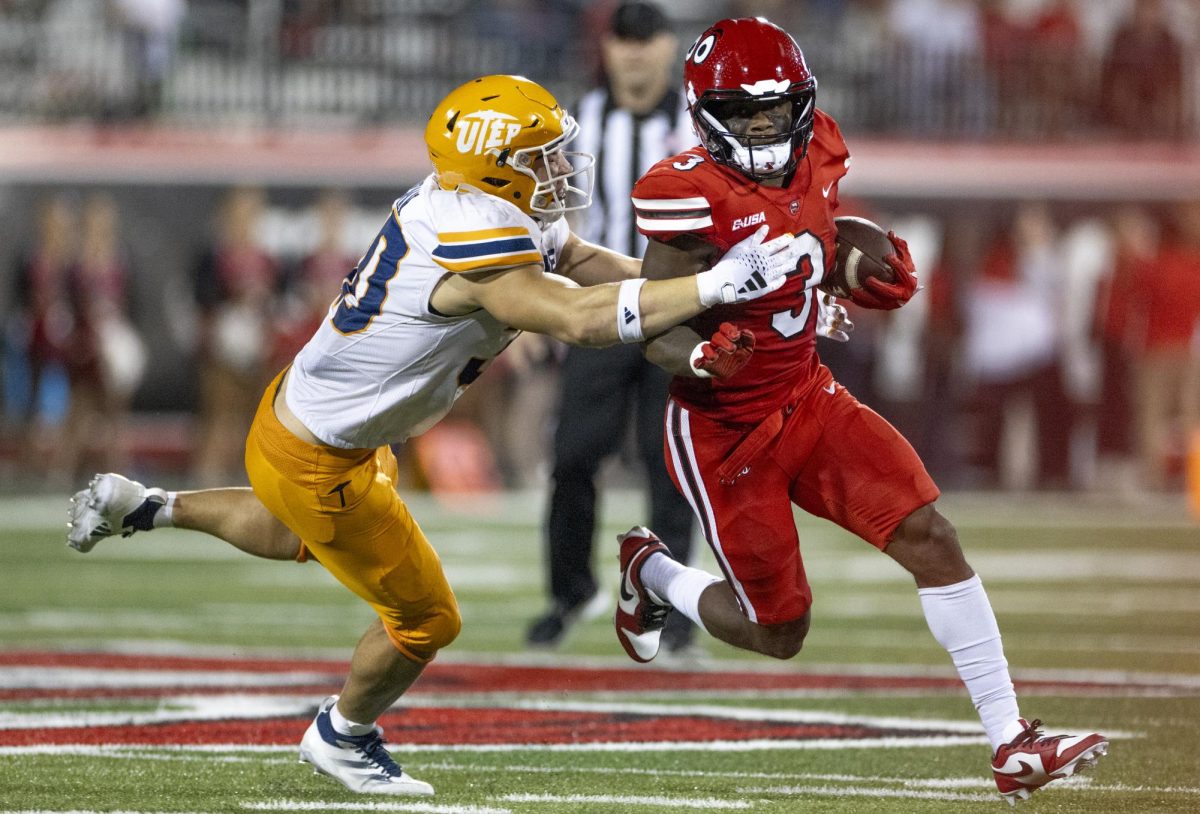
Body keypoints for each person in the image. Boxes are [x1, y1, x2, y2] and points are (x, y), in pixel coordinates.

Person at [66, 74, 803, 797]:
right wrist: (711, 288)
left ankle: (151, 508)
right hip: (320, 453)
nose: (557, 168)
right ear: (493, 163)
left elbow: (577, 260)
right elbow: (580, 319)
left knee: (294, 527)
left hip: (302, 419)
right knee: (426, 619)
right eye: (540, 155)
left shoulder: (481, 201)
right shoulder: (475, 232)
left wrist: (681, 287)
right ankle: (342, 735)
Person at [611, 18, 1107, 806]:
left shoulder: (821, 154)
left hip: (807, 395)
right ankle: (654, 571)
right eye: (745, 112)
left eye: (779, 111)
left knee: (929, 534)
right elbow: (654, 323)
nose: (767, 127)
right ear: (708, 113)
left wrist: (848, 266)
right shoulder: (682, 192)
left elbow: (815, 238)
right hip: (723, 429)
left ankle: (1012, 741)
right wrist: (700, 355)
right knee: (780, 631)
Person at [525, 0, 700, 653]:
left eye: (643, 42)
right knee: (572, 455)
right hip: (598, 308)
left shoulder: (699, 125)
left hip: (676, 311)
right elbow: (541, 219)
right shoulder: (577, 122)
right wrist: (534, 308)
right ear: (608, 51)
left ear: (666, 48)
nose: (632, 55)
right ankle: (569, 593)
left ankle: (676, 611)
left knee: (672, 465)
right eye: (621, 43)